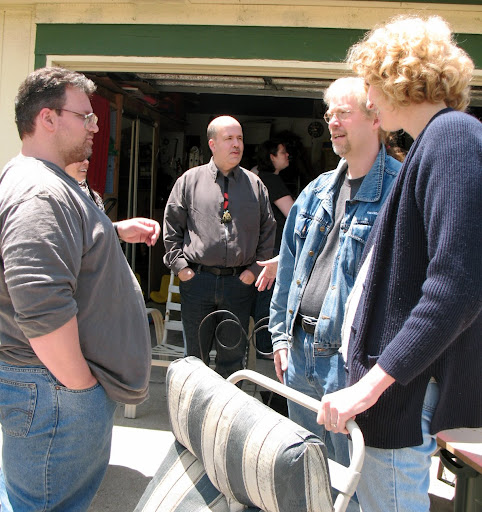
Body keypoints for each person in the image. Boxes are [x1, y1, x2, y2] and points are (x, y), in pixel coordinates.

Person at [317, 16, 482, 512]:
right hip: (396, 393)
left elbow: (457, 287)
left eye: (370, 82)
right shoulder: (431, 143)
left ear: (397, 79)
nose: (368, 98)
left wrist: (369, 388)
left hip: (401, 398)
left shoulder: (452, 137)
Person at [0, 67, 160, 511]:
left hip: (53, 390)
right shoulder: (39, 192)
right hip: (55, 390)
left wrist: (111, 230)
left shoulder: (50, 184)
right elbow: (41, 303)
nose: (94, 126)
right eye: (85, 116)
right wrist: (80, 386)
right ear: (48, 118)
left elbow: (59, 251)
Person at [268, 77, 402, 509]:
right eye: (329, 114)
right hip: (299, 355)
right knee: (306, 477)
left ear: (376, 117)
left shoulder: (400, 192)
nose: (332, 122)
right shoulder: (318, 190)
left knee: (349, 485)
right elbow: (289, 269)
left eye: (343, 112)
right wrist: (281, 337)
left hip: (348, 366)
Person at [163, 115, 276, 377]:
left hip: (238, 284)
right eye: (229, 139)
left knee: (232, 359)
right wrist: (182, 269)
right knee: (195, 360)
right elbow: (171, 228)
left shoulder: (255, 185)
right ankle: (196, 404)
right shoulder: (189, 181)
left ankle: (227, 405)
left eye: (240, 139)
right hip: (197, 282)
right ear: (212, 144)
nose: (236, 144)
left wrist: (254, 271)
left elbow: (268, 230)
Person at [252, 139, 294, 356]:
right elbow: (293, 213)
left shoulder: (255, 176)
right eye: (283, 151)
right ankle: (265, 346)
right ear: (271, 156)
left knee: (261, 296)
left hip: (259, 248)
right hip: (273, 251)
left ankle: (261, 345)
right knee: (268, 298)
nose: (287, 155)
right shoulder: (271, 180)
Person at [65, 159, 162, 243]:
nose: (86, 162)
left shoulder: (93, 197)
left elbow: (95, 237)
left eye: (86, 157)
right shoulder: (60, 200)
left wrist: (117, 230)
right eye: (78, 157)